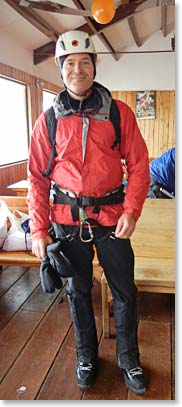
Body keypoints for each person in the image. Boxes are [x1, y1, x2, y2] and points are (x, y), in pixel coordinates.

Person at [27, 30, 150, 394]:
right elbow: (37, 177)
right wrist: (39, 230)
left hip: (113, 220)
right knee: (78, 291)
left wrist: (132, 209)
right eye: (69, 64)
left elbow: (140, 165)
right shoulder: (47, 120)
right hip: (66, 222)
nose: (77, 69)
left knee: (124, 292)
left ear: (94, 66)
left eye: (84, 62)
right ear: (60, 70)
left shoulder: (118, 112)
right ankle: (87, 356)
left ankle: (129, 359)